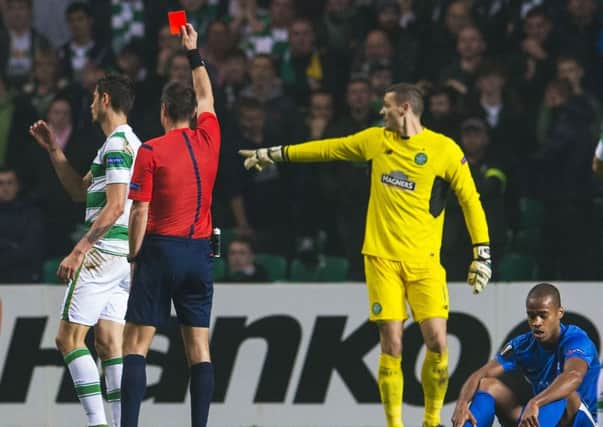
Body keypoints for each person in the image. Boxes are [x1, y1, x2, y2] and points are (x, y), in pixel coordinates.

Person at [239, 82, 492, 427]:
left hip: (425, 263)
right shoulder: (376, 141)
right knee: (392, 344)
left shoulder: (443, 150)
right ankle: (394, 424)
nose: (380, 112)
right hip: (381, 259)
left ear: (404, 109)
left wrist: (482, 253)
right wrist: (277, 153)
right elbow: (328, 149)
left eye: (386, 106)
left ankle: (432, 420)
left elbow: (470, 200)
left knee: (437, 343)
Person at [121, 23, 220, 427]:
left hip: (160, 250)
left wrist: (132, 254)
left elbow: (139, 211)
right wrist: (193, 53)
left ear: (164, 112)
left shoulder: (150, 150)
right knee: (199, 347)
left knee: (136, 344)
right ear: (194, 114)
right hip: (200, 254)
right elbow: (207, 94)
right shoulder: (209, 138)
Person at [29, 74, 141, 427]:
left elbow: (115, 204)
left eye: (94, 98)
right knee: (109, 343)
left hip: (102, 252)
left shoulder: (118, 145)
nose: (91, 104)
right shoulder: (124, 144)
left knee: (68, 338)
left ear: (105, 99)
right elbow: (80, 192)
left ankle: (97, 424)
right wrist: (54, 151)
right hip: (121, 256)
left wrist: (80, 249)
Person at [451, 283, 600, 427]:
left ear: (559, 313)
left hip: (577, 421)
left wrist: (535, 402)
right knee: (487, 385)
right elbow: (480, 375)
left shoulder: (577, 340)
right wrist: (461, 405)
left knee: (567, 394)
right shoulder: (523, 344)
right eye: (531, 316)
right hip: (540, 418)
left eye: (543, 316)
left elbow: (573, 375)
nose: (536, 322)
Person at [0, 166, 44, 283]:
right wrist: (12, 246)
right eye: (1, 183)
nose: (5, 188)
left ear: (17, 186)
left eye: (10, 183)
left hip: (23, 277)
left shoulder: (31, 213)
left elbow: (31, 249)